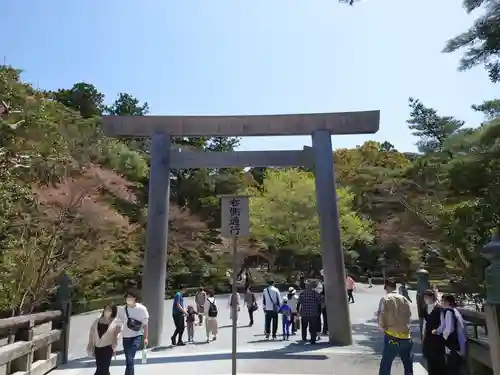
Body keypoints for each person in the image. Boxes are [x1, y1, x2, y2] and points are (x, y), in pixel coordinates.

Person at [377, 278, 413, 375]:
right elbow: (409, 315)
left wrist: (382, 328)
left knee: (386, 363)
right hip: (406, 335)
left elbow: (381, 314)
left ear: (386, 286)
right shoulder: (404, 299)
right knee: (407, 364)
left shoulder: (385, 299)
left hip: (392, 335)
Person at [433, 294, 466, 375]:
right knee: (453, 368)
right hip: (458, 345)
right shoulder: (453, 311)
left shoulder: (448, 312)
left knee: (452, 369)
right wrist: (437, 331)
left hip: (454, 346)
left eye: (443, 301)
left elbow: (449, 329)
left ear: (448, 302)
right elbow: (443, 326)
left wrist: (443, 340)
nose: (441, 302)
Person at [118, 290, 149, 375]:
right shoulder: (122, 310)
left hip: (137, 336)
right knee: (129, 360)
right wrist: (119, 333)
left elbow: (145, 324)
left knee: (130, 358)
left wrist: (146, 338)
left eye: (131, 297)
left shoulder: (142, 309)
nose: (129, 299)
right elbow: (119, 323)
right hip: (126, 337)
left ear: (135, 298)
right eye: (127, 298)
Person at [87, 304, 121, 375]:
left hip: (108, 347)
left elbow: (118, 332)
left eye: (109, 310)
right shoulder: (98, 319)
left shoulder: (116, 321)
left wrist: (115, 340)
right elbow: (92, 331)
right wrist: (90, 343)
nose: (107, 311)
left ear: (113, 311)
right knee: (99, 367)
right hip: (97, 346)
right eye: (106, 309)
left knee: (104, 368)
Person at [422, 289, 446, 375]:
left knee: (439, 361)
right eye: (425, 297)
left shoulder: (439, 309)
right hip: (428, 337)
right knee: (430, 360)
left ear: (432, 297)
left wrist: (438, 331)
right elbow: (425, 323)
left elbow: (443, 324)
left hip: (437, 338)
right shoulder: (425, 308)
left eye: (427, 297)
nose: (426, 299)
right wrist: (423, 336)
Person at [297, 280, 323, 344]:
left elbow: (299, 302)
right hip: (313, 313)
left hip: (304, 313)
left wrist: (298, 310)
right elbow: (320, 301)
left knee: (304, 327)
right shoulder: (315, 293)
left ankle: (304, 338)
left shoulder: (302, 293)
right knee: (313, 327)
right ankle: (313, 339)